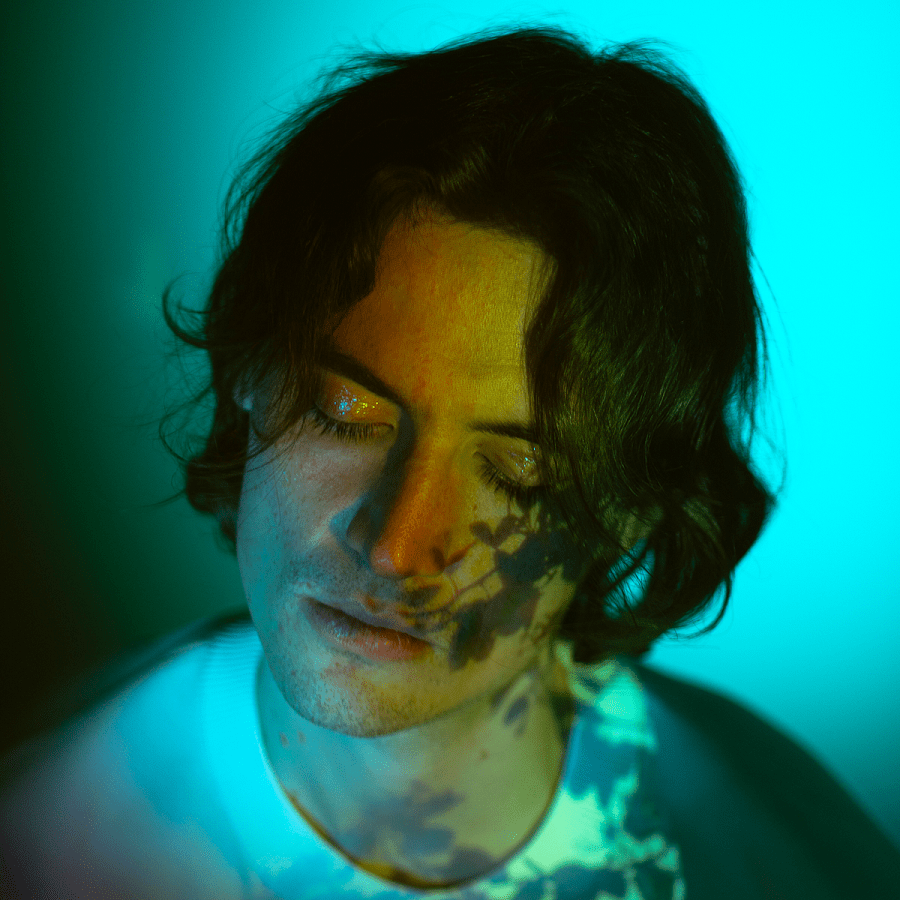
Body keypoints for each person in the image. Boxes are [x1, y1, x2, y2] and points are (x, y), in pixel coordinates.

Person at [1, 25, 898, 900]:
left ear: (631, 511)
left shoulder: (785, 858)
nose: (395, 545)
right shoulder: (43, 829)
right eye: (346, 412)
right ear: (248, 365)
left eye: (519, 476)